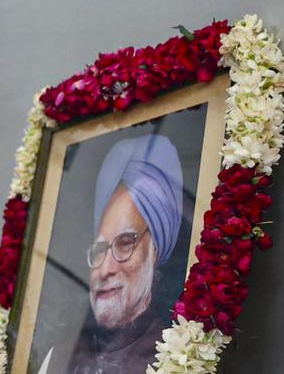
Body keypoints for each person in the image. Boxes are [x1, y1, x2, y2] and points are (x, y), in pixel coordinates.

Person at [38, 133, 183, 374]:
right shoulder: (59, 357)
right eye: (99, 250)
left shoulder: (175, 358)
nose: (104, 270)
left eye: (125, 243)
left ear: (154, 252)